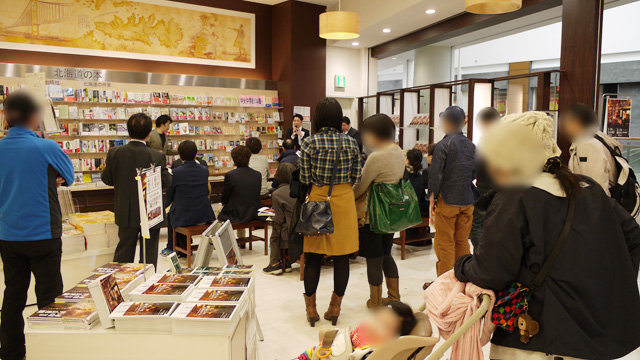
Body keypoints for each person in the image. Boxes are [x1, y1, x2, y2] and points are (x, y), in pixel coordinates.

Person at [454, 112, 640, 360]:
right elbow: (632, 237)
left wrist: (462, 265)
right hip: (593, 332)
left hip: (537, 335)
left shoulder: (514, 197)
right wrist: (607, 288)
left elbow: (492, 272)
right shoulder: (588, 188)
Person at [0, 92, 75, 360]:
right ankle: (51, 351)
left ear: (6, 117)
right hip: (44, 233)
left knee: (13, 295)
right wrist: (52, 177)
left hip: (8, 233)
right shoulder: (47, 147)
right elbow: (69, 177)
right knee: (50, 296)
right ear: (34, 116)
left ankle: (10, 353)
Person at [300, 98, 362, 327]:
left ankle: (311, 310)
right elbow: (357, 178)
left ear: (317, 118)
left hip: (318, 199)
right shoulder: (351, 143)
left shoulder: (309, 143)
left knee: (313, 256)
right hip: (344, 200)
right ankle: (335, 308)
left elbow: (305, 178)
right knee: (342, 256)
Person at [101, 113, 172, 270]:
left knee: (124, 251)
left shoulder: (115, 152)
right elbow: (166, 181)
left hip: (126, 210)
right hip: (151, 211)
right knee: (149, 253)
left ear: (128, 131)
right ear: (148, 134)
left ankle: (120, 282)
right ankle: (146, 283)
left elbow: (107, 179)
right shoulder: (156, 156)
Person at [353, 114, 406, 308]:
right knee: (386, 254)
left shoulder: (376, 156)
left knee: (374, 259)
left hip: (373, 215)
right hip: (391, 213)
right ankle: (394, 295)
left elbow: (360, 187)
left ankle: (375, 301)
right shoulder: (399, 151)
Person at [428, 106, 476, 277]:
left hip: (447, 201)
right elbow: (475, 173)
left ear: (447, 122)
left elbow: (435, 176)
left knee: (445, 243)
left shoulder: (443, 145)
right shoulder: (471, 145)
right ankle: (462, 278)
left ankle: (445, 284)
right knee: (462, 241)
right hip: (467, 201)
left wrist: (432, 200)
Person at [293, 301, 417, 360]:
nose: (374, 326)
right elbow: (320, 349)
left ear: (396, 337)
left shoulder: (373, 353)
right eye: (376, 319)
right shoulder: (355, 335)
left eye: (384, 326)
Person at [162, 140, 215, 257]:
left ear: (179, 156)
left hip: (184, 215)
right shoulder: (204, 170)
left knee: (173, 212)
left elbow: (170, 197)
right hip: (203, 213)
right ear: (196, 154)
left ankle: (179, 248)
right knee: (180, 208)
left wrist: (168, 204)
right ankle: (183, 247)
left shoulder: (175, 173)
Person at [563, 102, 622, 196]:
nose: (564, 127)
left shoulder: (587, 144)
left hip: (598, 208)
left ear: (576, 122)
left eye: (566, 122)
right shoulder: (596, 137)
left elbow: (595, 189)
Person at [470, 107, 501, 249]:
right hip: (503, 187)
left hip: (486, 187)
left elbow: (480, 164)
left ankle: (482, 256)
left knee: (476, 224)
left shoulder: (486, 139)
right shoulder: (507, 137)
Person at [263, 163, 297, 275]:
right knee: (282, 227)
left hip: (289, 231)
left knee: (276, 230)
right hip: (302, 226)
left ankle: (274, 264)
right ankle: (287, 262)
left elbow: (279, 218)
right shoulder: (299, 189)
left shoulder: (277, 193)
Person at [218, 146, 263, 224]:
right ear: (249, 158)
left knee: (219, 211)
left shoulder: (230, 175)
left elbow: (225, 196)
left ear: (234, 159)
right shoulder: (257, 174)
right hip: (253, 212)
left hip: (236, 213)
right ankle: (241, 235)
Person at [406, 149, 429, 217]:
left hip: (407, 213)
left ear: (408, 161)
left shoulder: (404, 176)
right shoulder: (421, 177)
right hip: (419, 212)